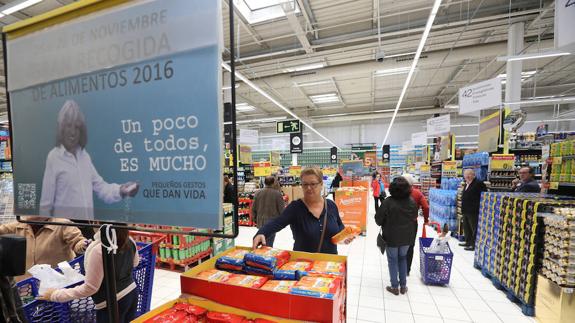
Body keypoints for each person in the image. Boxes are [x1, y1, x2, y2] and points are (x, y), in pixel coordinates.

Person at [40, 100, 139, 220]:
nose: (72, 132)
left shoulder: (84, 157)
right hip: (64, 233)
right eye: (68, 125)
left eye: (77, 127)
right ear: (61, 128)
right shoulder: (54, 158)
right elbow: (45, 206)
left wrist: (121, 190)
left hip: (87, 230)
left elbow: (101, 188)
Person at [39, 226, 140, 323]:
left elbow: (90, 288)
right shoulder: (129, 240)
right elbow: (135, 263)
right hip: (131, 294)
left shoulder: (99, 250)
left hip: (110, 304)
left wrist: (55, 295)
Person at [252, 167, 353, 254]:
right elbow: (277, 222)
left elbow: (339, 226)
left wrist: (344, 237)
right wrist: (262, 232)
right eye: (305, 184)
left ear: (321, 184)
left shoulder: (331, 206)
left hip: (329, 265)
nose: (309, 188)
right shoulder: (295, 208)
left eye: (313, 184)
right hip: (303, 266)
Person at [0, 216, 88, 281]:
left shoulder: (63, 225)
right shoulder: (16, 226)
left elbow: (77, 241)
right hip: (25, 288)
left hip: (58, 287)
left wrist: (84, 245)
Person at [375, 177, 418, 295]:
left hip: (391, 236)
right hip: (407, 237)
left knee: (392, 260)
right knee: (403, 258)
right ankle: (403, 286)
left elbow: (378, 220)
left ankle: (395, 287)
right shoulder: (412, 201)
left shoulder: (388, 202)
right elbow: (414, 217)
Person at [402, 174, 429, 275]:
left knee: (398, 244)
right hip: (412, 223)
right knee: (410, 245)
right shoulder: (417, 193)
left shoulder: (398, 192)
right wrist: (426, 219)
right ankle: (407, 270)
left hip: (398, 222)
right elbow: (426, 207)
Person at [252, 176, 286, 247]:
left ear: (264, 182)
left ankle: (260, 255)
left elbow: (253, 208)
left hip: (260, 221)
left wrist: (255, 219)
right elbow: (282, 210)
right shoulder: (277, 194)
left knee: (261, 239)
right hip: (272, 223)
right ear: (273, 183)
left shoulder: (258, 193)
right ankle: (266, 256)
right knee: (269, 243)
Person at [460, 169, 487, 251]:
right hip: (465, 209)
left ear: (473, 175)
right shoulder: (466, 183)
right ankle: (468, 241)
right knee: (466, 227)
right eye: (466, 175)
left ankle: (474, 244)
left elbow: (484, 196)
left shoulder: (479, 183)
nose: (467, 176)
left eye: (469, 174)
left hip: (474, 210)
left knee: (474, 228)